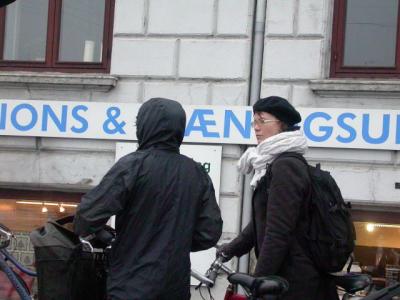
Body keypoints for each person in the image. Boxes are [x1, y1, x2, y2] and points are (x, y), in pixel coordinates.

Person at [74, 98, 223, 300]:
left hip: (130, 284)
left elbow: (86, 217)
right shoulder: (197, 173)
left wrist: (112, 238)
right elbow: (209, 233)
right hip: (175, 287)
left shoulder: (133, 166)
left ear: (146, 126)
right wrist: (173, 242)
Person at [218, 96, 338, 300]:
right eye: (254, 122)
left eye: (262, 121)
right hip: (285, 276)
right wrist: (230, 249)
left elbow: (278, 231)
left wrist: (259, 281)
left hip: (294, 282)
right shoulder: (273, 164)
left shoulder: (286, 167)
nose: (256, 127)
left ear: (282, 124)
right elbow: (263, 221)